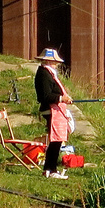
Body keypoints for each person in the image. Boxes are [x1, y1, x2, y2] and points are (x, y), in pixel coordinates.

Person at [33, 47, 74, 179]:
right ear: (49, 61)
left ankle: (49, 169)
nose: (56, 64)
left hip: (56, 109)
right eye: (54, 62)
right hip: (51, 110)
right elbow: (44, 96)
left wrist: (65, 99)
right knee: (56, 140)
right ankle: (51, 169)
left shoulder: (49, 73)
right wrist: (61, 98)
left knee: (57, 141)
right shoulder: (43, 74)